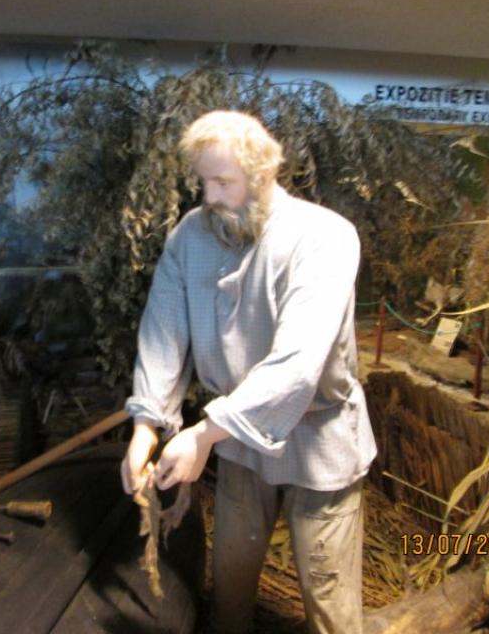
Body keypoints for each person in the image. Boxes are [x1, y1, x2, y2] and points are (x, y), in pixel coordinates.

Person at [120, 110, 377, 634]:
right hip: (237, 439)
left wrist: (202, 435)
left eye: (223, 182)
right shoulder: (192, 235)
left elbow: (297, 364)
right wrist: (146, 423)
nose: (209, 196)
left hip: (317, 437)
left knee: (328, 594)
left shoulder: (322, 237)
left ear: (262, 175)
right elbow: (164, 330)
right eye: (203, 181)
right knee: (230, 583)